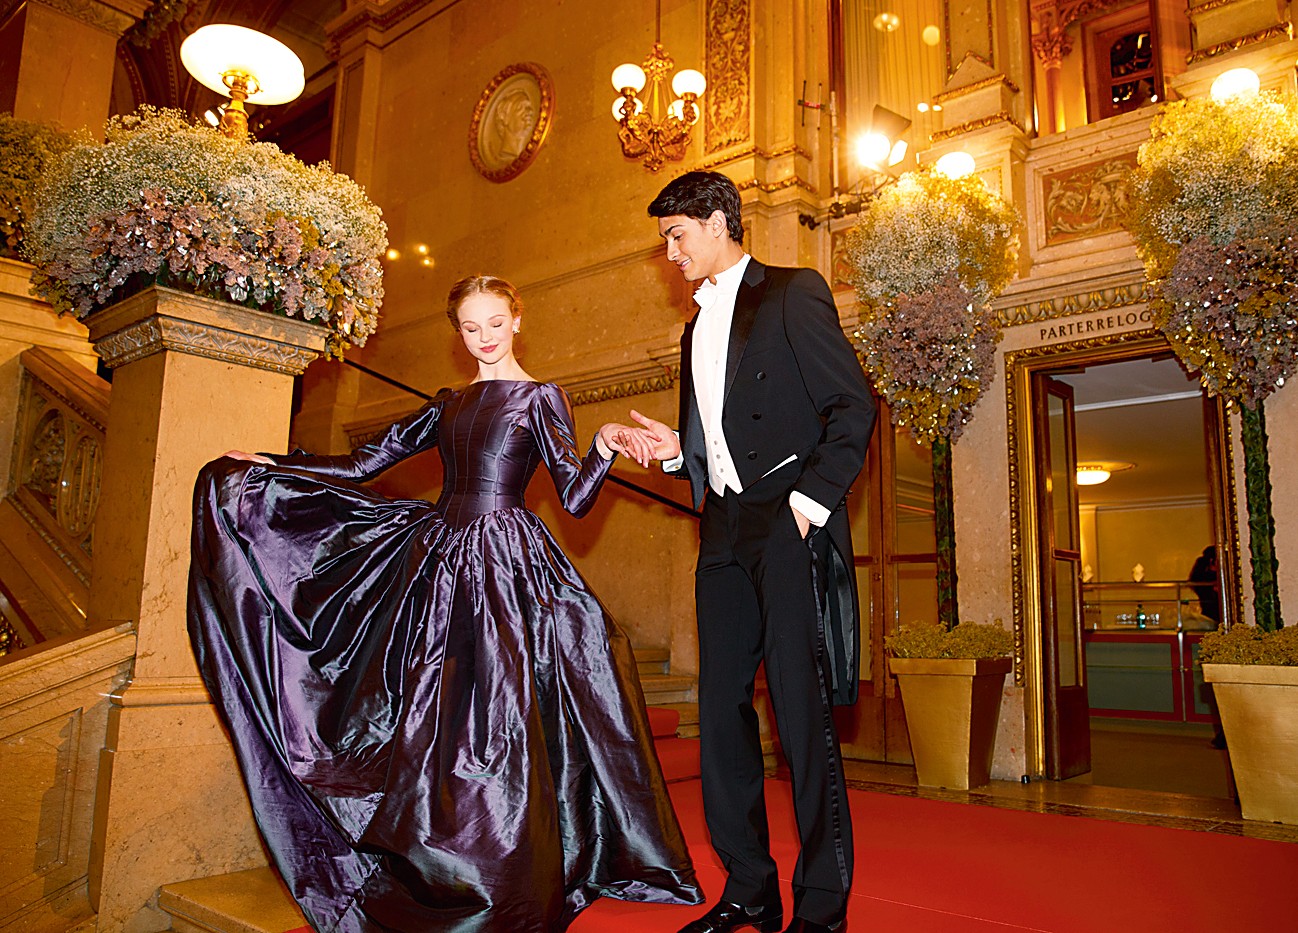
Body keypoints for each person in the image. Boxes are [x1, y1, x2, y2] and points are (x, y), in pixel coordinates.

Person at [187, 274, 702, 933]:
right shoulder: (448, 403)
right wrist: (269, 463)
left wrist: (602, 447)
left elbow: (573, 498)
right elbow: (362, 464)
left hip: (505, 568)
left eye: (496, 323)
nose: (485, 337)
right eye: (471, 327)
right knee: (432, 720)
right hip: (436, 564)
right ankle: (438, 859)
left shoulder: (540, 398)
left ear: (518, 320)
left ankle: (505, 871)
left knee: (497, 720)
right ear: (458, 332)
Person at [629, 171, 876, 933]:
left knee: (800, 714)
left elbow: (852, 406)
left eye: (677, 235)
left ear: (716, 222)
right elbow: (717, 441)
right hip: (723, 527)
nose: (671, 252)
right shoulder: (693, 328)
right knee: (720, 710)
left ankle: (822, 907)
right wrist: (678, 454)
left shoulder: (793, 292)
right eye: (666, 240)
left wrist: (808, 505)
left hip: (786, 518)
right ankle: (748, 890)